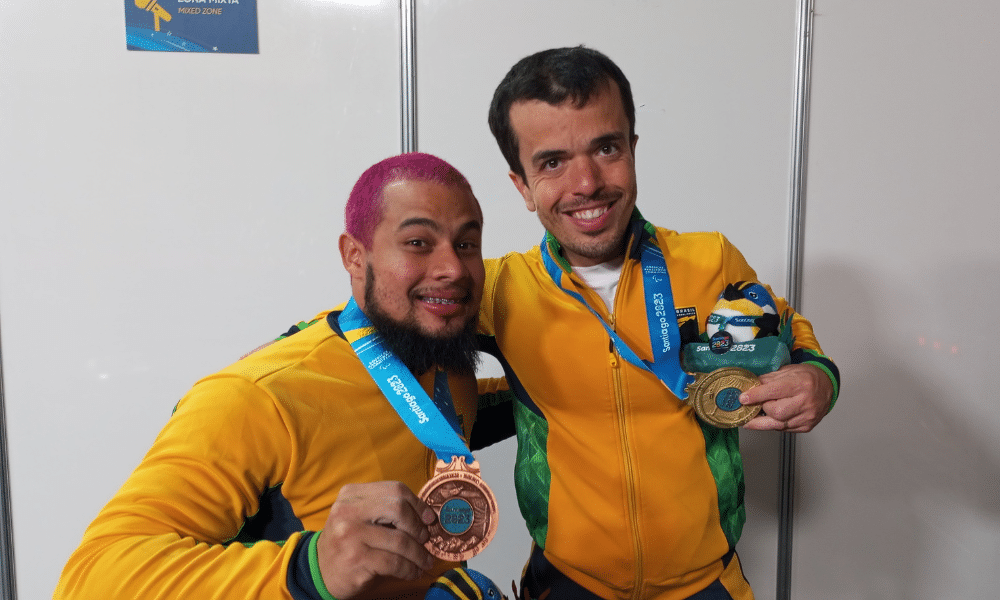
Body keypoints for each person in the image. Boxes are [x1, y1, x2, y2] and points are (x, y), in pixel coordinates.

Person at [476, 47, 841, 600]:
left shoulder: (710, 260)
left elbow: (789, 333)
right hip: (569, 585)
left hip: (707, 584)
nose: (587, 182)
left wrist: (819, 378)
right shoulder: (496, 290)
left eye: (606, 147)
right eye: (552, 162)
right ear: (522, 185)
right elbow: (375, 334)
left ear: (632, 149)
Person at [55, 153, 499, 600]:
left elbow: (440, 417)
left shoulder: (442, 357)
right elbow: (91, 578)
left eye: (466, 244)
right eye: (419, 243)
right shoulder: (257, 395)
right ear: (354, 256)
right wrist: (310, 567)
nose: (454, 269)